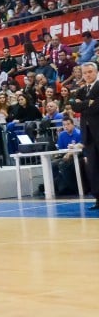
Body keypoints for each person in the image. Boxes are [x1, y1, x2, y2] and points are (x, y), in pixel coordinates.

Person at [70, 62, 99, 211]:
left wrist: (85, 104)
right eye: (85, 72)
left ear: (96, 72)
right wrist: (88, 103)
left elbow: (97, 107)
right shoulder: (81, 90)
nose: (88, 75)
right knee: (93, 167)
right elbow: (74, 106)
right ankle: (98, 198)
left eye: (90, 72)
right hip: (88, 134)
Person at [51, 116, 83, 196]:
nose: (66, 126)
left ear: (73, 124)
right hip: (65, 156)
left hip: (78, 156)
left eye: (68, 124)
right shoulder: (62, 135)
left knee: (62, 165)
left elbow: (82, 147)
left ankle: (74, 188)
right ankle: (58, 186)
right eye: (64, 125)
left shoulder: (79, 133)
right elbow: (61, 149)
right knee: (52, 164)